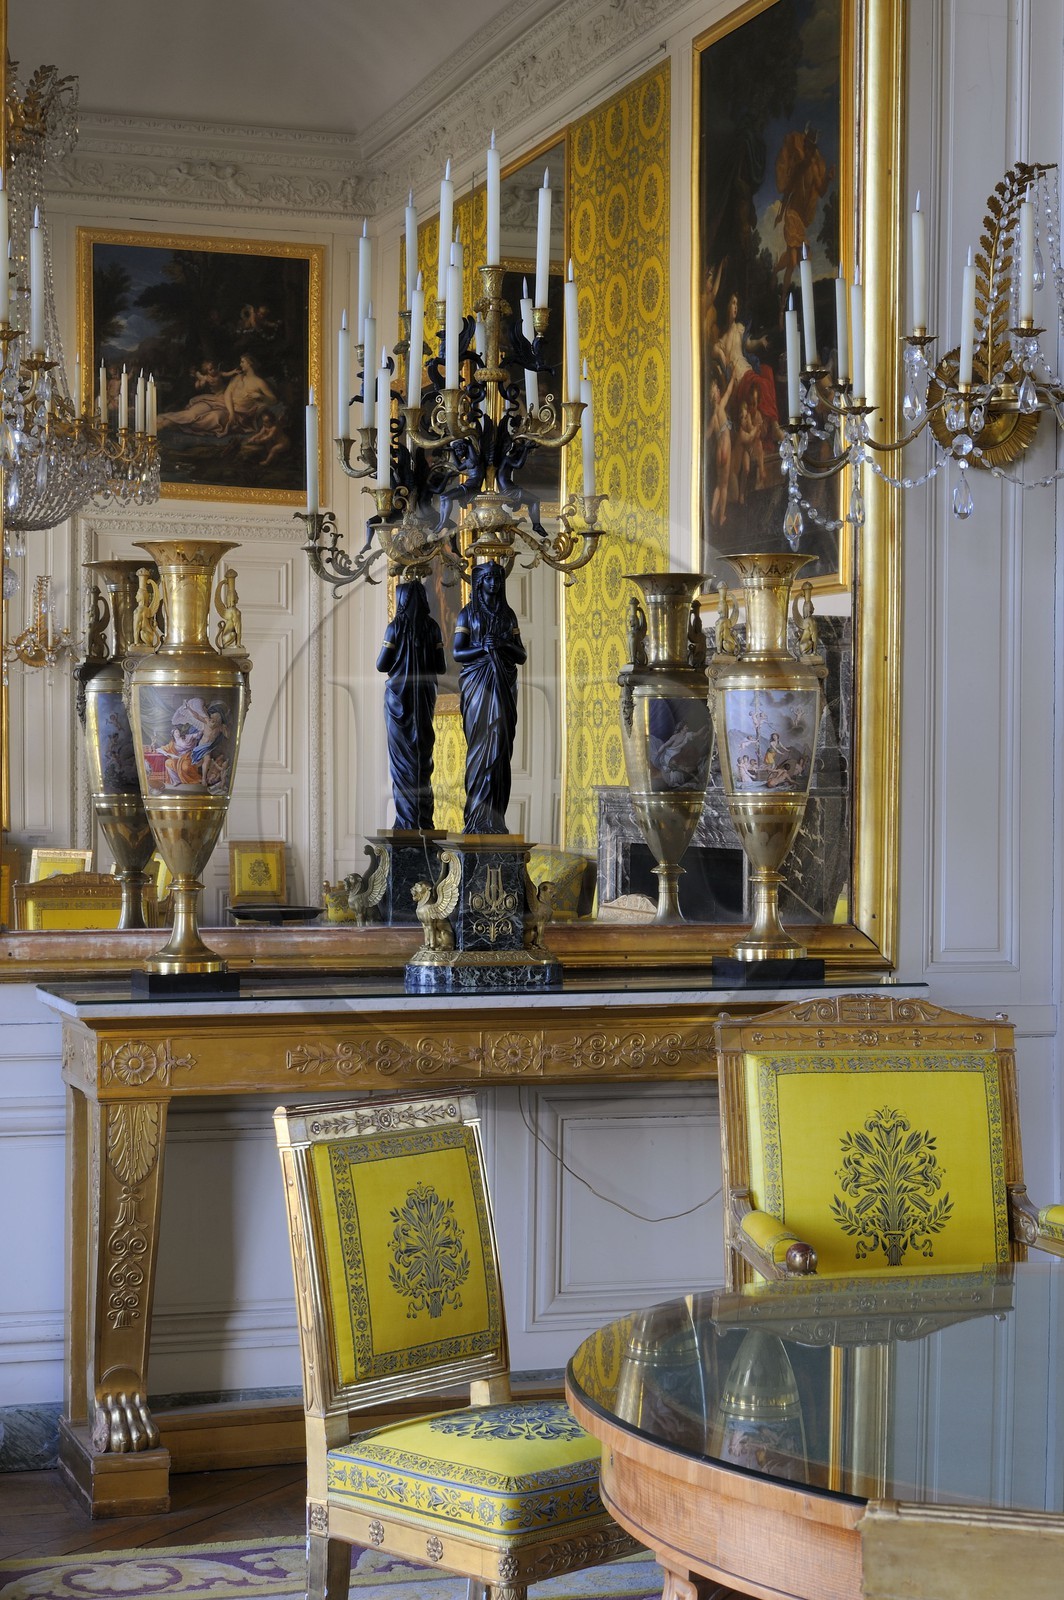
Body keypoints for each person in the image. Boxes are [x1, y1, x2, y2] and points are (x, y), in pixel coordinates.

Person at [452, 560, 527, 834]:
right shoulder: (467, 614)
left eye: (498, 578)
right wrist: (483, 648)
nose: (494, 582)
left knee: (500, 750)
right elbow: (458, 653)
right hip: (477, 687)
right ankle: (476, 820)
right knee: (481, 747)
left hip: (504, 685)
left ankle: (495, 821)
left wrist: (504, 643)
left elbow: (521, 656)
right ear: (479, 582)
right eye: (489, 578)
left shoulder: (508, 616)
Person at [375, 579, 447, 831]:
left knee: (402, 760)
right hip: (424, 697)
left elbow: (382, 665)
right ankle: (422, 820)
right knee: (421, 757)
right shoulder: (433, 627)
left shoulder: (394, 628)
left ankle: (406, 821)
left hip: (398, 701)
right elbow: (441, 666)